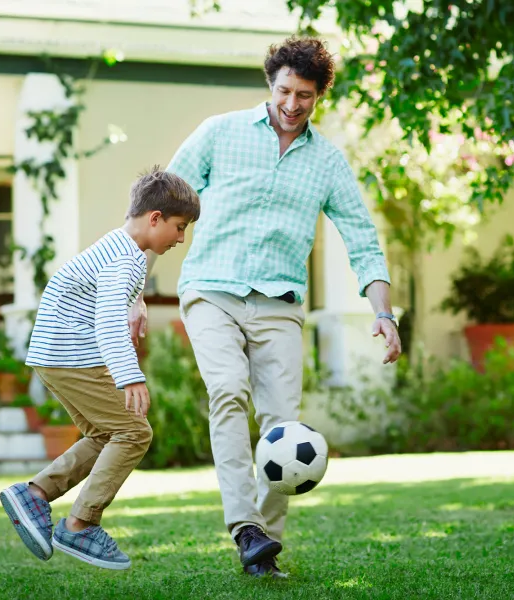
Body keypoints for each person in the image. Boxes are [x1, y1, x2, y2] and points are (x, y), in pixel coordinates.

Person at [142, 36, 401, 578]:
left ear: (318, 95)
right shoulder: (220, 133)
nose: (291, 104)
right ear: (271, 84)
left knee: (284, 426)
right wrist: (131, 290)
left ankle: (264, 550)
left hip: (279, 304)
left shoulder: (327, 161)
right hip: (211, 290)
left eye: (304, 95)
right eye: (284, 90)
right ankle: (245, 528)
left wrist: (383, 312)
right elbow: (158, 207)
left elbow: (362, 239)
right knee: (229, 391)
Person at [0, 167, 200, 570]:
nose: (181, 239)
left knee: (107, 432)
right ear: (155, 218)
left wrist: (138, 301)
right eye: (179, 228)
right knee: (134, 431)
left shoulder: (123, 248)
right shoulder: (125, 260)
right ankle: (80, 523)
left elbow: (119, 287)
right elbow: (108, 320)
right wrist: (130, 375)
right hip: (72, 354)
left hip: (54, 353)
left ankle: (35, 495)